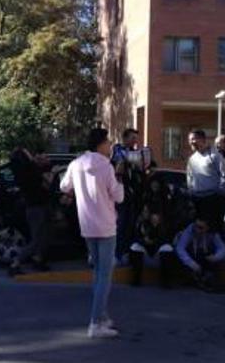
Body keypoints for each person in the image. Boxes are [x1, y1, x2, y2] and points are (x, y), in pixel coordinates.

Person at [60, 128, 125, 339]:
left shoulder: (76, 163)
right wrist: (121, 180)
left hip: (87, 225)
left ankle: (102, 315)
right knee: (105, 275)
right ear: (100, 143)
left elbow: (64, 186)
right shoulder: (106, 166)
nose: (110, 146)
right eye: (108, 142)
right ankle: (96, 322)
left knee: (98, 272)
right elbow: (118, 196)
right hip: (106, 226)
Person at [8, 148, 51, 276]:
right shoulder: (31, 170)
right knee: (37, 238)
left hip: (32, 207)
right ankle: (15, 262)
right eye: (27, 152)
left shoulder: (21, 173)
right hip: (38, 207)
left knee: (40, 236)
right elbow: (45, 185)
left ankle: (37, 260)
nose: (30, 153)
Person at [186, 129, 225, 232]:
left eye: (193, 139)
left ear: (202, 139)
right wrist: (191, 193)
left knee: (213, 232)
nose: (191, 142)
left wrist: (218, 194)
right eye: (189, 140)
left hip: (212, 201)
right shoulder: (192, 159)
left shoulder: (214, 156)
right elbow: (189, 178)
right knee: (198, 232)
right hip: (197, 201)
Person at [128, 204, 177, 287]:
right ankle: (136, 279)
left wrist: (155, 229)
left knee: (167, 248)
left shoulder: (163, 224)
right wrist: (144, 241)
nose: (144, 213)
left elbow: (166, 240)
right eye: (144, 211)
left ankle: (166, 281)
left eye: (147, 211)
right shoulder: (141, 223)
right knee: (135, 247)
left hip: (158, 254)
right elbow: (135, 238)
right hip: (145, 254)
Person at [112, 128, 141, 263]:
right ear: (125, 138)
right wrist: (124, 161)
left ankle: (126, 252)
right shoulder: (116, 150)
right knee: (120, 225)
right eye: (132, 138)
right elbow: (116, 168)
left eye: (136, 138)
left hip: (132, 195)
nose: (135, 141)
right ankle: (117, 254)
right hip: (119, 195)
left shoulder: (136, 153)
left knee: (130, 225)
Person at [176, 216, 225, 290]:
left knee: (216, 260)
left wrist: (215, 257)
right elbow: (180, 248)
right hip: (191, 257)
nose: (197, 229)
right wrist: (191, 263)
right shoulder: (190, 230)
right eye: (196, 226)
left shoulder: (212, 233)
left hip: (204, 256)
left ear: (207, 227)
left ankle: (207, 279)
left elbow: (223, 249)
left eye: (200, 227)